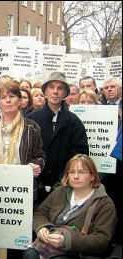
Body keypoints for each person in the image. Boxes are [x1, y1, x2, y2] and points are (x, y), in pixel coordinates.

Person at [0, 81, 46, 259]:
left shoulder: (32, 127)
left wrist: (35, 165)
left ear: (19, 100)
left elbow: (40, 155)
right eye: (3, 97)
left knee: (17, 245)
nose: (8, 100)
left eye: (12, 96)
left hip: (20, 195)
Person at [22, 154, 117, 259]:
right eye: (72, 172)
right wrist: (42, 228)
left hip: (82, 255)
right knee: (30, 254)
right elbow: (40, 213)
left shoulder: (104, 203)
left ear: (92, 176)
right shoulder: (60, 192)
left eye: (81, 172)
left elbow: (103, 240)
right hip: (50, 247)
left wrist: (67, 241)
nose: (75, 176)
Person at [26, 72, 89, 204]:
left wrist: (63, 179)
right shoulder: (31, 120)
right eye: (52, 87)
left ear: (65, 93)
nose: (55, 91)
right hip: (35, 185)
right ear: (45, 91)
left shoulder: (73, 122)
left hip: (64, 186)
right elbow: (25, 151)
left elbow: (79, 154)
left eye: (60, 88)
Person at [100, 77, 122, 244]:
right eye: (106, 87)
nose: (109, 90)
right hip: (103, 167)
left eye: (113, 86)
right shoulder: (99, 109)